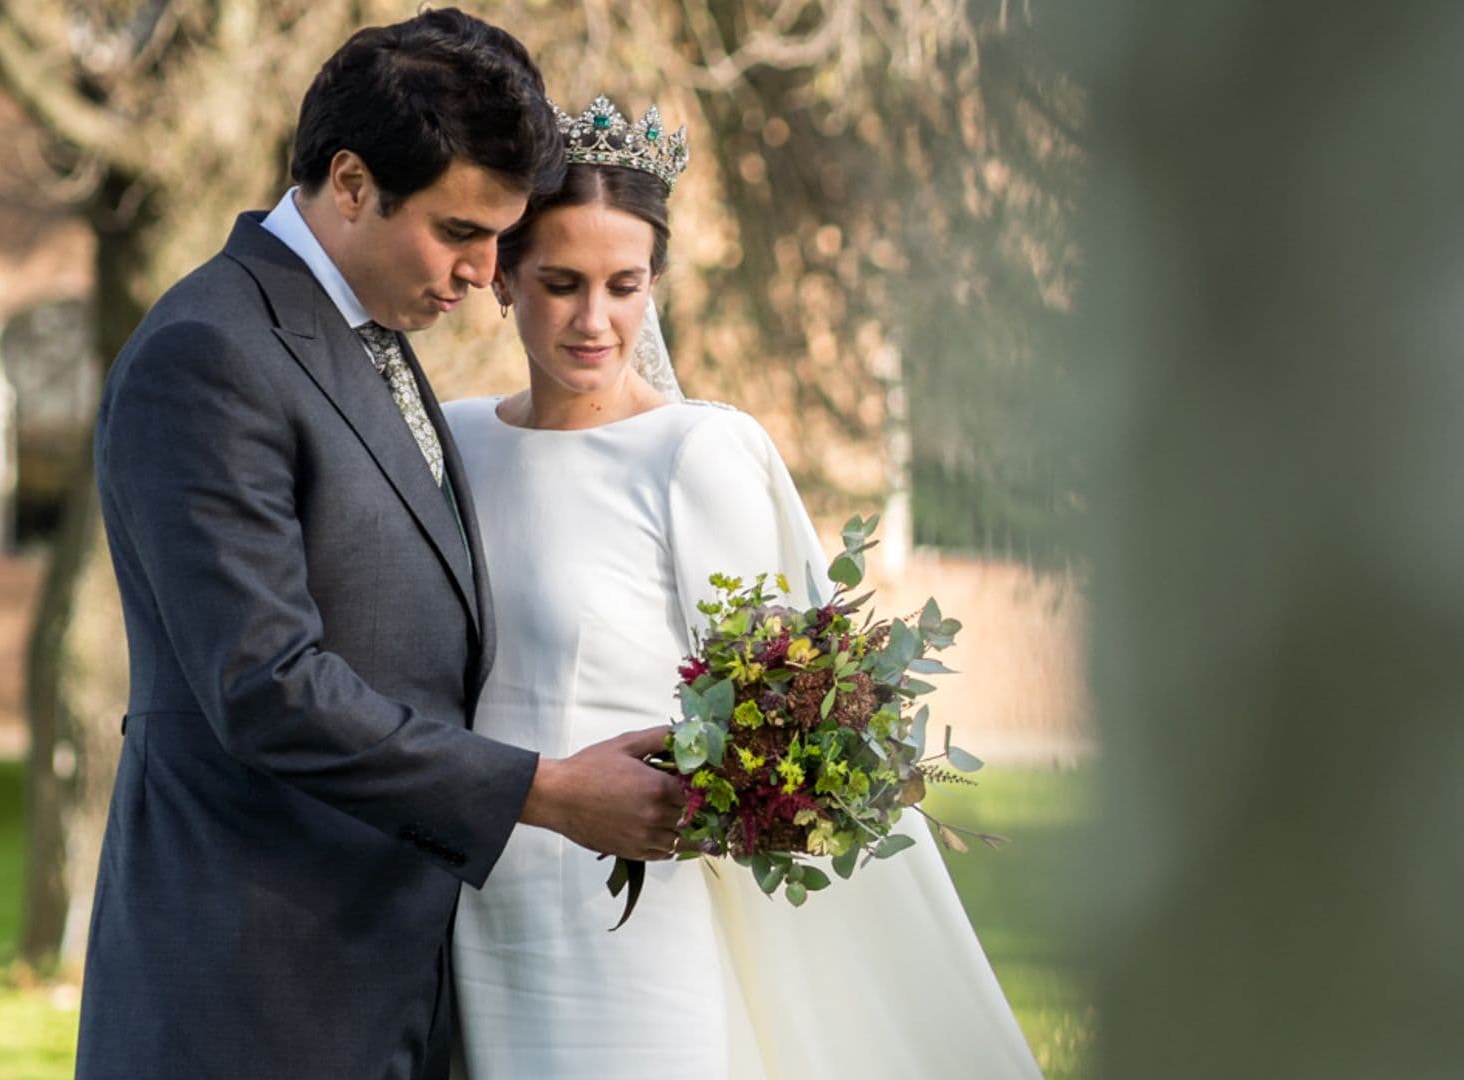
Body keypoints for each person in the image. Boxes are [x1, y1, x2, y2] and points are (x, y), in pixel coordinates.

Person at [77, 15, 686, 1079]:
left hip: (400, 980)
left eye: (498, 237)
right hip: (254, 995)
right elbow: (264, 682)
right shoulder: (208, 353)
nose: (483, 273)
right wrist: (544, 790)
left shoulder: (374, 337)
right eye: (459, 232)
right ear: (350, 182)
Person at [443, 96, 1047, 1078]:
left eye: (623, 284)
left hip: (627, 916)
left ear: (656, 286)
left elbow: (778, 703)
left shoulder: (695, 454)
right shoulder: (454, 441)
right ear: (503, 279)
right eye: (559, 283)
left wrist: (734, 789)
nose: (595, 320)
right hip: (470, 905)